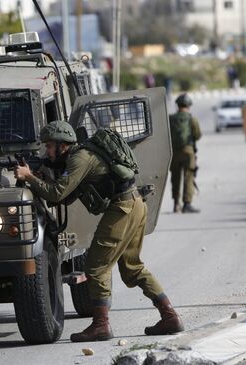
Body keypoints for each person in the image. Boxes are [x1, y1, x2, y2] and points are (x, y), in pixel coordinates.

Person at [14, 121, 184, 342]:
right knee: (132, 268)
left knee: (95, 266)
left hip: (123, 208)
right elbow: (67, 196)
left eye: (49, 146)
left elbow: (56, 195)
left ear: (62, 145)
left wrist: (29, 177)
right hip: (134, 204)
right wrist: (41, 180)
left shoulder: (79, 158)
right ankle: (170, 316)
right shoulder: (77, 157)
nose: (47, 151)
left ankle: (101, 325)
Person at [169, 94, 202, 213]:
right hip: (188, 151)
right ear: (188, 105)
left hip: (174, 152)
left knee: (175, 177)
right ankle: (187, 204)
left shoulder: (170, 118)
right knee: (188, 176)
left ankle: (176, 204)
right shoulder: (192, 119)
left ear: (177, 105)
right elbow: (198, 135)